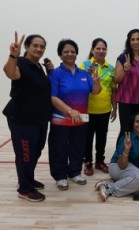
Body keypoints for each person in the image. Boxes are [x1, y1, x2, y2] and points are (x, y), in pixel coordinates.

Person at [2, 32, 52, 202]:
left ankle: (27, 178)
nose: (39, 49)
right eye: (35, 45)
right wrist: (12, 56)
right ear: (27, 47)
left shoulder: (38, 66)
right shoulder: (20, 63)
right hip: (22, 119)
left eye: (42, 46)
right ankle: (25, 189)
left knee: (36, 150)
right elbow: (9, 72)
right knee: (25, 154)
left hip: (39, 118)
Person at [48, 39, 101, 191]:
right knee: (59, 148)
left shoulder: (84, 74)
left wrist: (96, 81)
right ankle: (60, 176)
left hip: (81, 120)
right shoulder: (55, 74)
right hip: (61, 119)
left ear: (76, 53)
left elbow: (95, 91)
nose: (70, 54)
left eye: (72, 51)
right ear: (60, 54)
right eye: (66, 51)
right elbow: (53, 97)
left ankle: (75, 172)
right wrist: (70, 111)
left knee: (78, 146)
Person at [79, 38, 116, 175]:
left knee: (102, 136)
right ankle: (87, 162)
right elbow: (78, 85)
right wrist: (87, 77)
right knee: (87, 137)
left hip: (104, 109)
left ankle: (100, 161)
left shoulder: (111, 68)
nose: (101, 51)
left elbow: (113, 90)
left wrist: (115, 108)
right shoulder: (84, 65)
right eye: (98, 48)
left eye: (104, 49)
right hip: (87, 109)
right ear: (92, 50)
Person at [95, 112, 139, 202]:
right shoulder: (127, 138)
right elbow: (122, 165)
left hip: (132, 171)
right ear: (132, 124)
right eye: (137, 121)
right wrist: (127, 149)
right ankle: (108, 187)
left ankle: (115, 182)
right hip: (117, 166)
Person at [114, 29, 139, 145]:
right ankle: (118, 159)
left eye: (138, 39)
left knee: (138, 130)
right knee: (125, 130)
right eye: (133, 39)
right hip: (125, 100)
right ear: (129, 42)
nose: (136, 42)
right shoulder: (123, 57)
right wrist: (125, 69)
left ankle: (134, 159)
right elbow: (116, 79)